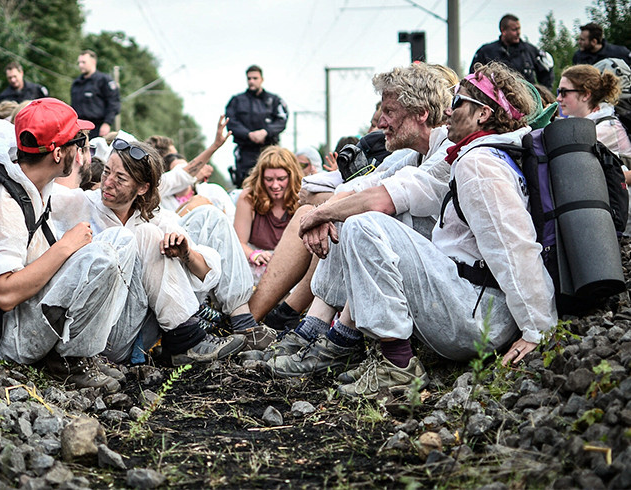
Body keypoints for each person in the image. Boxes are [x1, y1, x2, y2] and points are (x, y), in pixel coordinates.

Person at [272, 62, 555, 397]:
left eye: (459, 103)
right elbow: (373, 188)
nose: (448, 111)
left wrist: (537, 329)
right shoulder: (468, 155)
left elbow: (514, 247)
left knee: (365, 223)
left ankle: (397, 366)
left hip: (479, 318)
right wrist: (327, 212)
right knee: (357, 215)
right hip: (465, 300)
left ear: (483, 114)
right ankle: (335, 338)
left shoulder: (480, 165)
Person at [249, 63, 455, 333]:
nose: (380, 124)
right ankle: (302, 325)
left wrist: (323, 213)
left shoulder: (449, 152)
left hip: (450, 293)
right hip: (418, 270)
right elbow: (361, 185)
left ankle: (330, 331)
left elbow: (382, 198)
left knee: (356, 217)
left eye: (390, 112)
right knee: (340, 211)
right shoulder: (411, 153)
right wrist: (324, 212)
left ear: (421, 112)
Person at [0, 98, 136, 392]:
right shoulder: (1, 203)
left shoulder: (36, 187)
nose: (80, 151)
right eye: (77, 142)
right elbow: (3, 293)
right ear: (56, 153)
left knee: (122, 240)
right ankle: (66, 363)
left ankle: (82, 352)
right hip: (7, 335)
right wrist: (66, 247)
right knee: (102, 255)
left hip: (28, 312)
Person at [63, 138, 264, 363]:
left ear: (142, 188)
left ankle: (236, 324)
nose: (107, 183)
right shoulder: (80, 204)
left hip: (138, 332)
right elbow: (40, 192)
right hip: (97, 334)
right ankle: (187, 340)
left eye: (120, 179)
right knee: (143, 236)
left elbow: (209, 273)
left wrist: (185, 254)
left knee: (204, 218)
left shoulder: (154, 217)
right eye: (107, 172)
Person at [233, 146, 302, 283]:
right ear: (260, 178)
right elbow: (238, 242)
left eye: (281, 179)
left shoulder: (303, 198)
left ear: (292, 177)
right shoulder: (249, 198)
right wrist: (254, 255)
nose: (275, 185)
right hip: (258, 269)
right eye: (269, 179)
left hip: (294, 269)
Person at [225, 65, 289, 187]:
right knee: (246, 186)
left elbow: (282, 119)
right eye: (249, 78)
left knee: (274, 183)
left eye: (255, 78)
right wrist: (249, 134)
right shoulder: (237, 101)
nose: (251, 81)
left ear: (262, 79)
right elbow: (230, 122)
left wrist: (266, 132)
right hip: (245, 152)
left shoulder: (274, 100)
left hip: (270, 150)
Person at [557, 64, 631, 159]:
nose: (558, 98)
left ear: (586, 95)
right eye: (559, 92)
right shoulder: (587, 123)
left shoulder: (606, 128)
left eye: (564, 92)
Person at [469, 14, 554, 89]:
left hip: (527, 102)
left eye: (519, 29)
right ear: (503, 31)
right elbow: (473, 78)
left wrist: (541, 97)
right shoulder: (486, 52)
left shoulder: (529, 51)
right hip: (496, 102)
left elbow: (546, 75)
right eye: (514, 30)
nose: (518, 33)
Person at [70, 50, 120, 137]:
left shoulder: (104, 80)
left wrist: (107, 123)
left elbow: (113, 103)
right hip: (79, 128)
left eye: (84, 62)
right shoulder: (76, 83)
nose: (80, 65)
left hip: (98, 128)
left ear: (93, 62)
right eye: (79, 62)